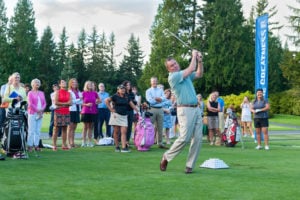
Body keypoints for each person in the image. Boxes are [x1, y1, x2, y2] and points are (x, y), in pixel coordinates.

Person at [160, 50, 204, 174]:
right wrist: (194, 56)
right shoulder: (173, 77)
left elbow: (199, 73)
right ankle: (166, 157)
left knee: (198, 139)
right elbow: (191, 68)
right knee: (184, 138)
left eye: (175, 63)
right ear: (169, 69)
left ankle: (190, 165)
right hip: (184, 109)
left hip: (196, 108)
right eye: (171, 65)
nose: (175, 66)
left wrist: (200, 61)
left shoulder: (183, 74)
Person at [105, 84, 139, 153]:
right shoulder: (115, 96)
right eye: (121, 88)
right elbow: (106, 101)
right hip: (116, 115)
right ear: (118, 90)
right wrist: (111, 109)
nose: (123, 89)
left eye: (124, 88)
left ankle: (123, 148)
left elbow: (132, 105)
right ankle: (117, 146)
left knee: (124, 132)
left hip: (124, 116)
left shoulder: (127, 97)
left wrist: (138, 111)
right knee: (116, 132)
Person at [145, 77, 167, 149]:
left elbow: (164, 98)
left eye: (155, 81)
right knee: (150, 127)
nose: (154, 82)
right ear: (151, 82)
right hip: (152, 109)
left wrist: (156, 99)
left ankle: (160, 143)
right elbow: (150, 101)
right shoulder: (148, 91)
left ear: (157, 82)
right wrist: (158, 99)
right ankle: (148, 142)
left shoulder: (160, 90)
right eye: (153, 81)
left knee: (160, 127)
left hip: (160, 109)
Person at [27, 78, 47, 152]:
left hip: (40, 114)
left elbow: (44, 103)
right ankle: (29, 146)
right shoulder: (30, 93)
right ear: (32, 84)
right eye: (36, 82)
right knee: (31, 130)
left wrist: (41, 110)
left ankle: (36, 145)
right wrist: (37, 110)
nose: (37, 84)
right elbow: (30, 103)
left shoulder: (41, 93)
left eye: (38, 82)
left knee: (38, 130)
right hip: (32, 113)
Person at [52, 79, 71, 151]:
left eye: (65, 82)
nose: (64, 83)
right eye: (62, 82)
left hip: (66, 111)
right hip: (58, 112)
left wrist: (62, 105)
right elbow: (56, 102)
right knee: (56, 128)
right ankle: (54, 145)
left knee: (64, 128)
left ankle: (64, 144)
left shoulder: (68, 93)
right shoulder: (57, 92)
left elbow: (70, 103)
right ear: (59, 85)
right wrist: (65, 104)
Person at [81, 80, 101, 147]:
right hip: (85, 111)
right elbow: (80, 102)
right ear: (86, 85)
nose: (90, 85)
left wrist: (97, 102)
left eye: (91, 84)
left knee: (90, 127)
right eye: (88, 84)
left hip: (93, 111)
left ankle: (89, 142)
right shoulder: (83, 93)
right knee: (85, 127)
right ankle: (83, 142)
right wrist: (86, 104)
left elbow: (100, 100)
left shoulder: (95, 93)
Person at [67, 78, 82, 148]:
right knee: (70, 127)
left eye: (75, 82)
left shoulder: (79, 91)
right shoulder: (69, 92)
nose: (74, 83)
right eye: (73, 82)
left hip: (77, 110)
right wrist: (79, 99)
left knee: (74, 128)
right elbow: (71, 101)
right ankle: (68, 143)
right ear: (70, 84)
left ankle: (72, 142)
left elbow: (81, 101)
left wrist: (79, 100)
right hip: (71, 110)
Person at [122, 80, 136, 148]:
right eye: (127, 85)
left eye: (129, 85)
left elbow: (134, 102)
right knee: (124, 127)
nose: (128, 86)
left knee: (130, 127)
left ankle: (127, 141)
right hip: (124, 111)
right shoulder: (123, 93)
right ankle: (122, 141)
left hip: (131, 111)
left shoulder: (132, 94)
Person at [0, 75, 13, 141]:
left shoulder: (14, 87)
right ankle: (0, 135)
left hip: (11, 107)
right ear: (8, 79)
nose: (11, 81)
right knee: (1, 121)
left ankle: (7, 136)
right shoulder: (3, 86)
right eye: (11, 79)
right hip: (3, 106)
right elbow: (2, 95)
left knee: (9, 122)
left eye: (12, 80)